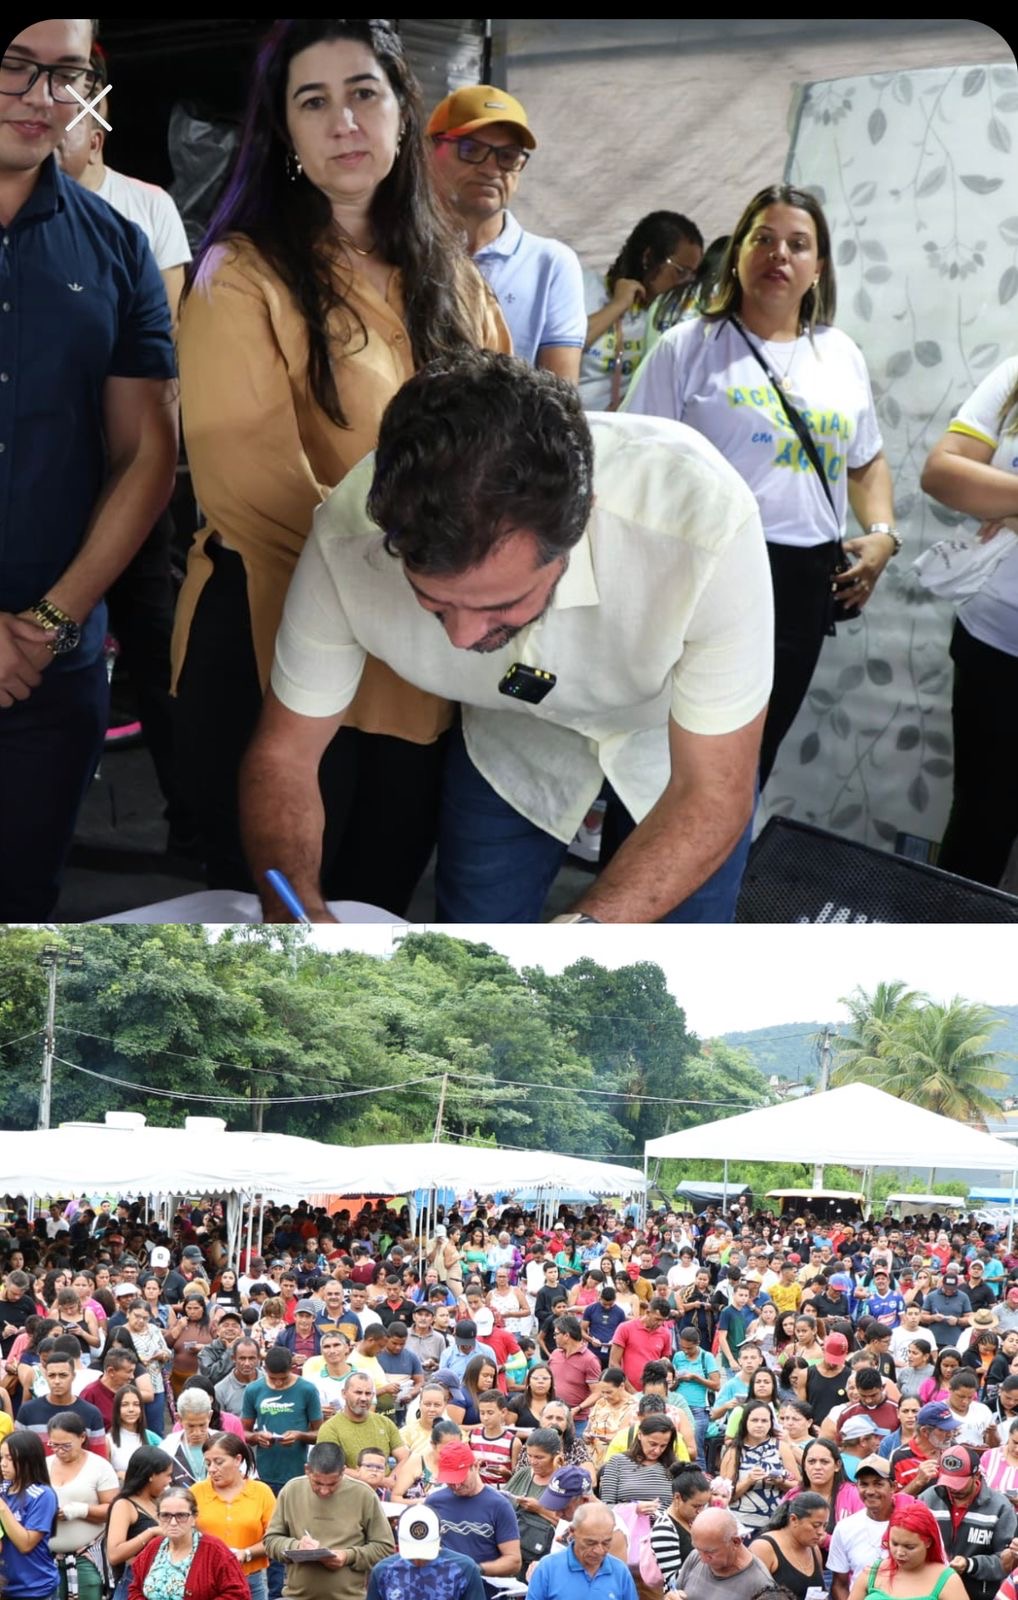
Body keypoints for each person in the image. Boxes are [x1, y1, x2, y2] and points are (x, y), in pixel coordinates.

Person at [241, 349, 773, 924]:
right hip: (508, 750)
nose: (463, 638)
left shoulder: (703, 523)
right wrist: (291, 908)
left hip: (670, 753)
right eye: (434, 602)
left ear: (578, 525)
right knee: (472, 953)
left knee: (678, 958)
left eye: (502, 605)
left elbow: (712, 792)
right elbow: (285, 755)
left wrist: (582, 934)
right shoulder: (346, 541)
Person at [171, 18, 507, 904]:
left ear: (403, 113)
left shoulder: (459, 282)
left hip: (426, 657)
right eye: (313, 102)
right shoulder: (241, 274)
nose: (344, 121)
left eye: (364, 93)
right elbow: (261, 494)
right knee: (272, 917)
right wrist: (442, 581)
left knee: (376, 905)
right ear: (286, 133)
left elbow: (509, 455)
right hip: (275, 637)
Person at [626, 182, 898, 786]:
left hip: (804, 579)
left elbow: (866, 461)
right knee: (672, 751)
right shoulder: (688, 346)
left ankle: (719, 876)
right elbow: (632, 464)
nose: (780, 254)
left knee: (754, 753)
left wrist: (881, 534)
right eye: (764, 238)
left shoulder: (840, 354)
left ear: (818, 267)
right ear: (741, 253)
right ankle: (644, 871)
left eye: (798, 244)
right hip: (706, 570)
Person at [0, 17, 179, 918]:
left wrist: (44, 622)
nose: (43, 100)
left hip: (52, 663)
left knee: (27, 908)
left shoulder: (116, 245)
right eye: (16, 69)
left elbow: (147, 450)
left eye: (66, 75)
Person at [920, 356, 1018, 886]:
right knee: (979, 827)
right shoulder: (1015, 375)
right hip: (994, 642)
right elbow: (942, 473)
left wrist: (1003, 500)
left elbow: (975, 481)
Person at [427, 85, 585, 376]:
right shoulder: (401, 251)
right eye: (471, 150)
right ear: (427, 152)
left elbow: (561, 395)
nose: (490, 168)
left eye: (508, 156)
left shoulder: (550, 265)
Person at [579, 212, 704, 411]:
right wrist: (617, 306)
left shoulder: (662, 320)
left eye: (692, 276)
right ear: (648, 258)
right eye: (680, 272)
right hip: (567, 426)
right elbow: (561, 346)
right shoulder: (585, 287)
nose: (684, 284)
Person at [917, 1445, 1017, 1600]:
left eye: (959, 1483)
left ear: (976, 1475)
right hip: (930, 1590)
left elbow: (1006, 1561)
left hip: (978, 1594)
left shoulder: (1000, 1507)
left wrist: (970, 1564)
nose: (953, 1489)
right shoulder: (927, 1499)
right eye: (948, 1482)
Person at [126, 1484, 250, 1600]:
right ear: (158, 1517)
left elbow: (238, 1594)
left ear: (194, 1518)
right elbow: (135, 1589)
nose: (173, 1522)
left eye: (181, 1516)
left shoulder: (215, 1550)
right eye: (165, 1516)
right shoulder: (154, 1547)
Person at [193, 1434, 276, 1600]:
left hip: (250, 1581)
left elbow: (275, 1539)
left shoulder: (261, 1492)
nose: (212, 1469)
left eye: (219, 1462)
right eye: (208, 1463)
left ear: (238, 1460)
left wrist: (246, 1553)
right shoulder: (195, 1492)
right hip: (206, 1581)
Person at [47, 1411, 119, 1600]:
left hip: (86, 1557)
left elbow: (113, 1509)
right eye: (54, 1445)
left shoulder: (100, 1467)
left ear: (82, 1438)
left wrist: (79, 1510)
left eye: (66, 1445)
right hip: (48, 1557)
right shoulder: (43, 1465)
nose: (59, 1451)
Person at [424, 1439, 521, 1577]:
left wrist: (475, 1570)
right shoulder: (434, 1502)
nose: (456, 1486)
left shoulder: (499, 1505)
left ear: (475, 1466)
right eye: (451, 1481)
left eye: (461, 1479)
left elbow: (514, 1561)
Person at [242, 1346, 323, 1501]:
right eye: (273, 1378)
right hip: (264, 1473)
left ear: (292, 1368)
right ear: (264, 1369)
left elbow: (320, 1433)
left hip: (297, 1474)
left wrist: (299, 1436)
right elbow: (243, 1432)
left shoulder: (307, 1390)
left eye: (283, 1378)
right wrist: (257, 1436)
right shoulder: (253, 1390)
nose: (278, 1383)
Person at [845, 1501, 967, 1600]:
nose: (899, 1553)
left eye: (909, 1547)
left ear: (928, 1542)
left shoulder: (947, 1580)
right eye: (894, 1543)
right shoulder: (873, 1572)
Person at [367, 1503, 486, 1600]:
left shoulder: (464, 1569)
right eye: (412, 1554)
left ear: (440, 1535)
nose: (418, 1560)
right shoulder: (383, 1571)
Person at [828, 1454, 904, 1600]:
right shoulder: (845, 1528)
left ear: (893, 1487)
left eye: (878, 1484)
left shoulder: (914, 1523)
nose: (870, 1491)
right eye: (864, 1484)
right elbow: (840, 1584)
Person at [527, 1501, 637, 1600]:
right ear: (572, 1532)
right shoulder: (548, 1568)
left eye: (606, 1542)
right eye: (590, 1543)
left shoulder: (620, 1571)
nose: (599, 1551)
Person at [106, 1445, 175, 1600]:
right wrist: (151, 1532)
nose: (170, 1480)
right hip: (134, 1585)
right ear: (151, 1475)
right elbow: (114, 1554)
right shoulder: (124, 1505)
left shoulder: (156, 1502)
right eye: (167, 1475)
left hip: (160, 1583)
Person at [0, 1429, 61, 1600]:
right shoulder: (2, 1489)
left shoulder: (42, 1495)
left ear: (28, 1460)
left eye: (10, 1458)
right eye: (1, 1457)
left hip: (35, 1589)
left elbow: (26, 1544)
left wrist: (3, 1509)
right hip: (5, 1589)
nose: (3, 1464)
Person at [718, 1402, 799, 1530]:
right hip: (740, 1523)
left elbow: (799, 1486)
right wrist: (748, 1481)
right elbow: (722, 1495)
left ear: (771, 1423)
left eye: (764, 1421)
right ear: (745, 1422)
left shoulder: (781, 1447)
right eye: (754, 1420)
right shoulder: (734, 1450)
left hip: (776, 1523)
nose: (759, 1425)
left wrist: (780, 1482)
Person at [317, 1373, 406, 1487]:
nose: (364, 1398)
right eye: (358, 1392)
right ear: (344, 1394)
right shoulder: (330, 1428)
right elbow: (331, 1467)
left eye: (368, 1393)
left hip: (386, 1492)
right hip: (350, 1491)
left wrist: (392, 1480)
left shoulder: (385, 1423)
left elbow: (404, 1457)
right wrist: (379, 1481)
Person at [671, 1505, 776, 1600]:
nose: (703, 1559)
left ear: (735, 1542)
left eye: (710, 1552)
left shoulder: (761, 1585)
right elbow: (676, 1591)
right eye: (698, 1549)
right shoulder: (695, 1556)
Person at [749, 1491, 827, 1599]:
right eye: (816, 1525)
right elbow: (752, 1594)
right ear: (794, 1519)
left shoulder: (814, 1549)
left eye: (824, 1526)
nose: (821, 1532)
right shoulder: (764, 1548)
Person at [649, 1463, 712, 1585]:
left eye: (703, 1506)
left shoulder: (693, 1521)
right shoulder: (665, 1528)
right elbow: (673, 1581)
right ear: (677, 1498)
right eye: (696, 1506)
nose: (700, 1511)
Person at [599, 1414, 679, 1509]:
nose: (657, 1450)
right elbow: (606, 1507)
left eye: (663, 1446)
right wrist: (633, 1509)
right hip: (626, 1522)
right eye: (652, 1444)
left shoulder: (674, 1467)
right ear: (640, 1435)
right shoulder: (617, 1462)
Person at [107, 1385, 163, 1479]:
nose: (131, 1409)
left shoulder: (153, 1438)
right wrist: (117, 1475)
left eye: (136, 1404)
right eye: (125, 1405)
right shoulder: (108, 1441)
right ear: (117, 1409)